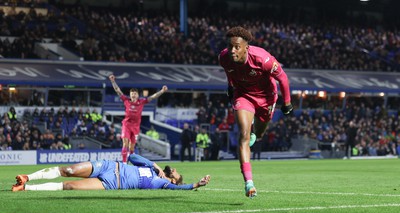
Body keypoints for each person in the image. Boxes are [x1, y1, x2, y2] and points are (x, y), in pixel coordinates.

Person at [219, 26, 293, 198]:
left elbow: (282, 78)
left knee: (259, 133)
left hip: (266, 98)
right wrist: (230, 86)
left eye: (237, 47)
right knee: (243, 134)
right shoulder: (223, 57)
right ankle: (249, 183)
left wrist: (287, 102)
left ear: (246, 47)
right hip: (243, 95)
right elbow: (229, 72)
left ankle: (255, 131)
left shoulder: (263, 59)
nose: (232, 50)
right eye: (230, 46)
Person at [12, 153, 211, 191]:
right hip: (110, 167)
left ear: (173, 181)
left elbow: (182, 188)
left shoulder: (163, 184)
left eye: (177, 174)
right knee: (69, 170)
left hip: (110, 184)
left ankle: (26, 188)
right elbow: (132, 157)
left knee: (70, 186)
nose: (175, 171)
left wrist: (196, 184)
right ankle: (27, 177)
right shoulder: (153, 170)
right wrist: (155, 165)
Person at [109, 74, 168, 163]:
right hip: (127, 124)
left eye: (135, 94)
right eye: (132, 94)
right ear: (130, 94)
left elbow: (153, 97)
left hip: (136, 126)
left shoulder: (141, 102)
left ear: (137, 95)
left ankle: (132, 162)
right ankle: (124, 163)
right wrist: (113, 81)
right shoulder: (126, 100)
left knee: (132, 147)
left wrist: (162, 91)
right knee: (125, 143)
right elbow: (118, 90)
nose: (133, 95)